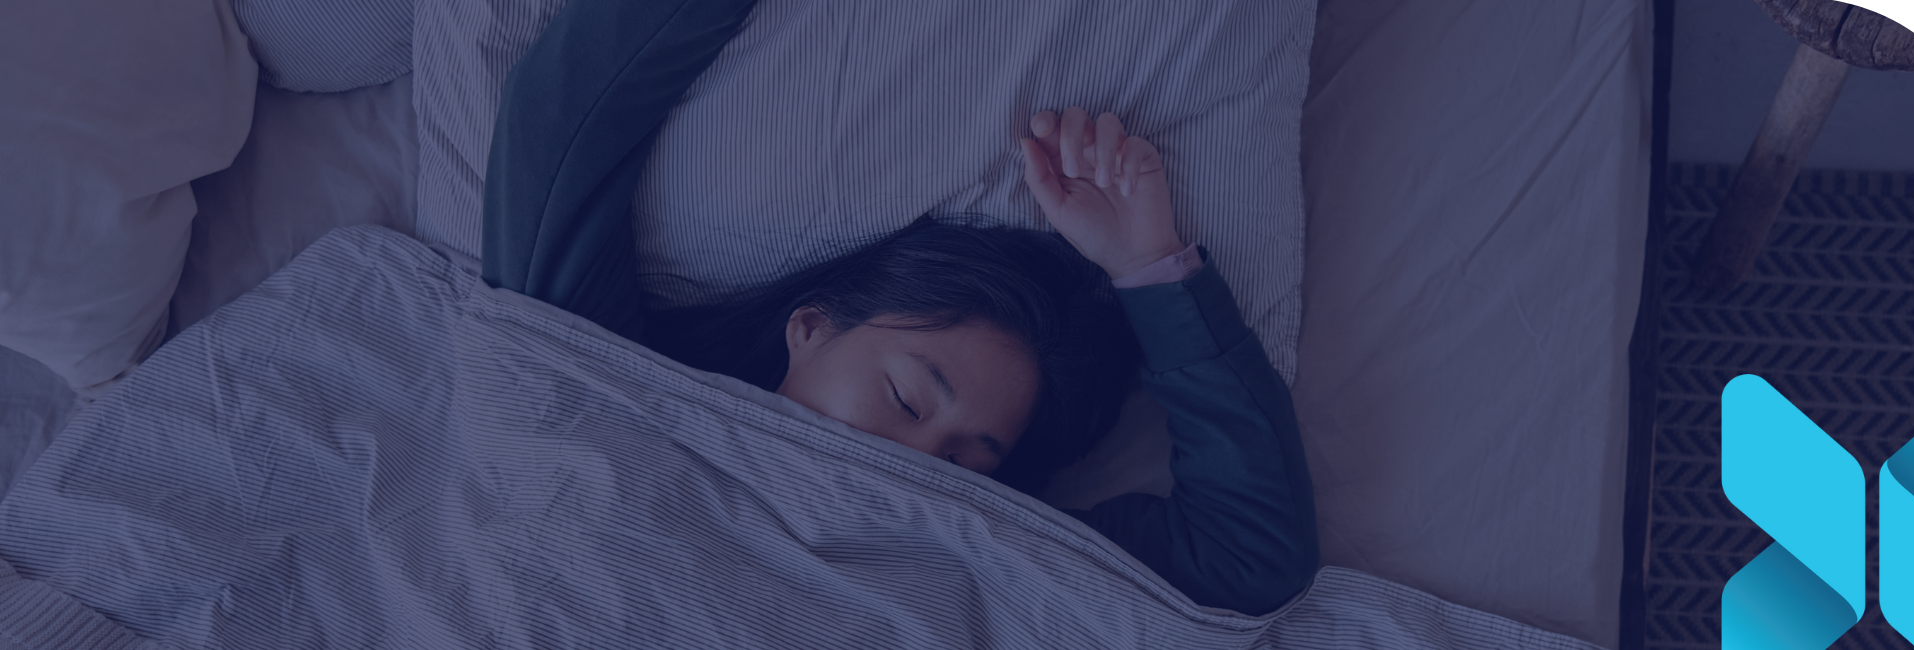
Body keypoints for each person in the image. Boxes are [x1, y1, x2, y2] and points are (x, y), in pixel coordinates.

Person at [480, 0, 1318, 616]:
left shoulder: (986, 552)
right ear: (808, 327)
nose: (917, 460)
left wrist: (1148, 267)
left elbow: (1248, 558)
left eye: (968, 462)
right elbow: (559, 132)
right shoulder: (623, 395)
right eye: (909, 399)